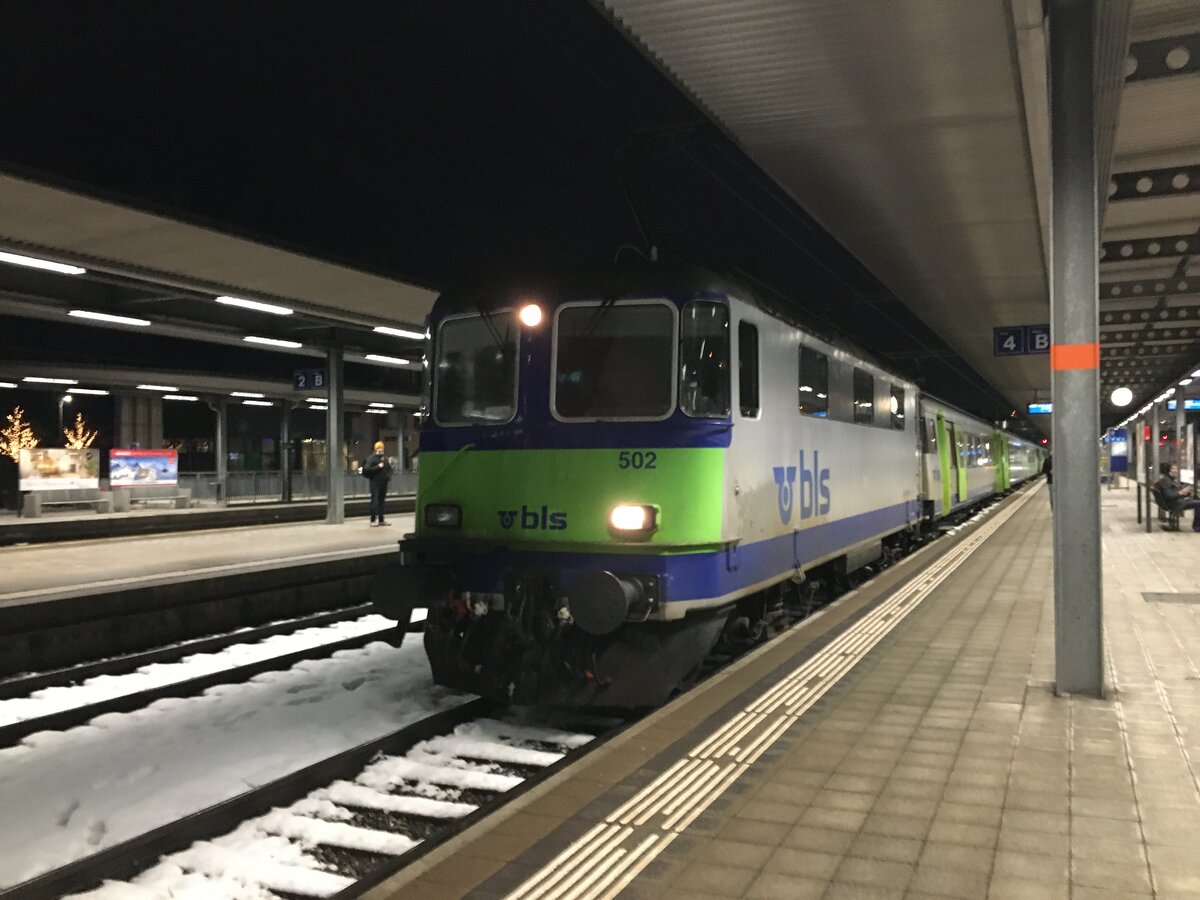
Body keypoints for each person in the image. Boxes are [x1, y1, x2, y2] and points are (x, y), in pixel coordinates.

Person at [1155, 462, 1200, 532]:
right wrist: (1181, 493)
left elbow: (1173, 492)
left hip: (1174, 502)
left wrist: (1185, 492)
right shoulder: (1166, 480)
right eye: (1173, 469)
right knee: (1198, 504)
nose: (1175, 470)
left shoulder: (1168, 479)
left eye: (1176, 469)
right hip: (1174, 503)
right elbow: (1169, 496)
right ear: (1169, 470)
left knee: (1196, 500)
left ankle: (1197, 525)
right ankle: (1197, 527)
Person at [362, 441, 393, 526]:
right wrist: (377, 467)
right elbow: (367, 469)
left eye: (382, 448)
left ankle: (381, 519)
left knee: (382, 501)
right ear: (376, 449)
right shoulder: (371, 458)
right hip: (375, 482)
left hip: (384, 482)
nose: (381, 449)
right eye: (379, 448)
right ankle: (372, 520)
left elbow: (389, 469)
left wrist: (388, 477)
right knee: (375, 501)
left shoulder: (385, 458)